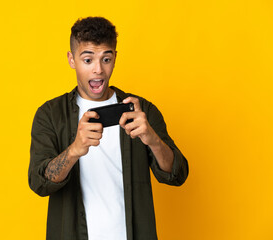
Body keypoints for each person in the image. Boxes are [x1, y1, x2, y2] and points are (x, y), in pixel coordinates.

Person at [28, 16, 189, 240]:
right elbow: (39, 182)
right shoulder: (50, 114)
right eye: (87, 60)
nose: (98, 70)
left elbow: (177, 175)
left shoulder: (142, 110)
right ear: (71, 59)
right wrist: (75, 149)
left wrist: (151, 138)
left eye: (106, 59)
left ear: (114, 59)